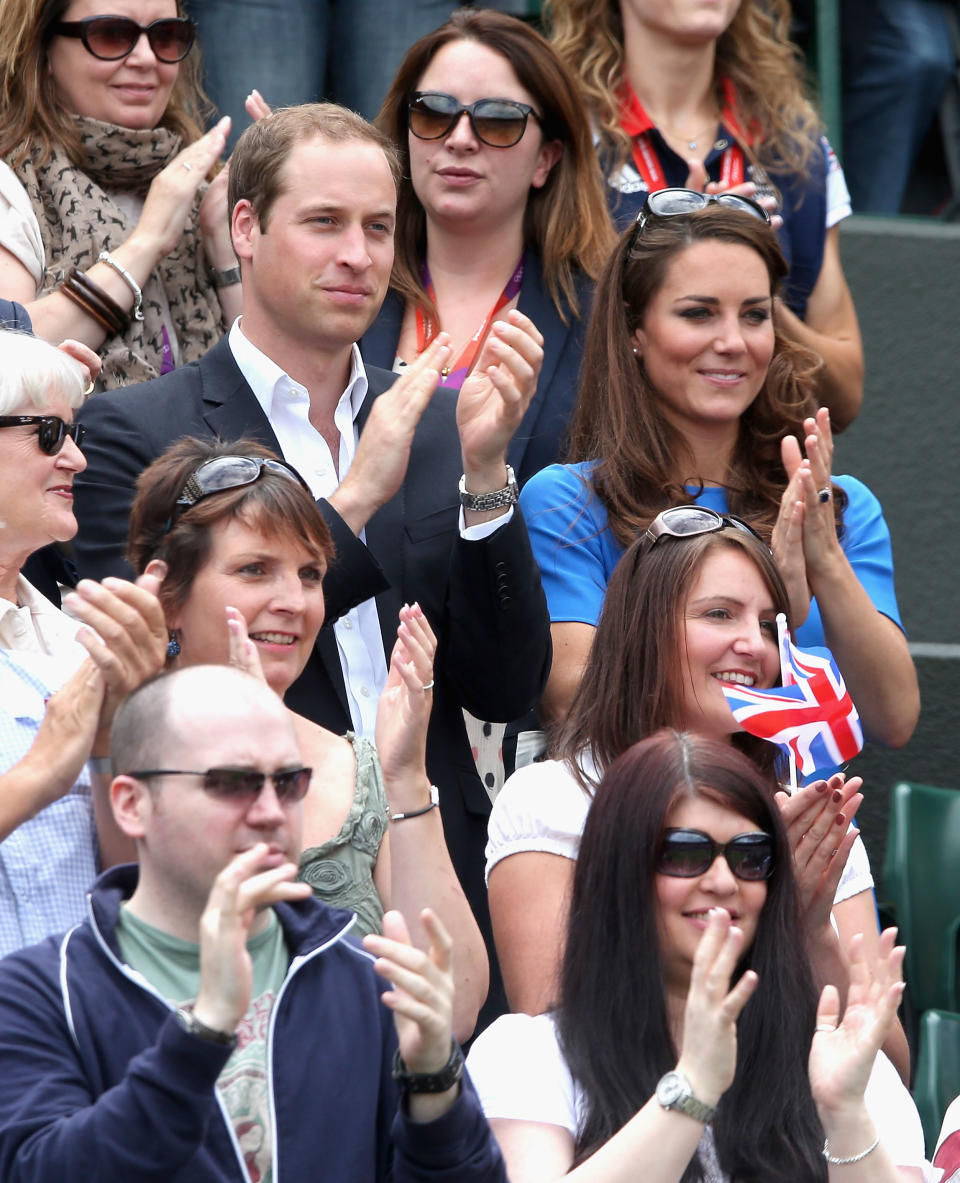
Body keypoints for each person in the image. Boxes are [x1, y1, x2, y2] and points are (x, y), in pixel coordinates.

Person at [71, 101, 552, 1025]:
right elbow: (159, 674)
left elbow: (506, 682)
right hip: (254, 883)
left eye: (379, 228)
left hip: (432, 882)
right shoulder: (137, 432)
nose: (359, 255)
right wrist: (352, 503)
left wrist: (489, 477)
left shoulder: (444, 428)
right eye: (325, 223)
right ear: (245, 229)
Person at [0, 663, 509, 1182]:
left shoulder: (363, 977)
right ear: (132, 804)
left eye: (289, 782)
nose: (271, 811)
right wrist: (201, 1036)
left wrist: (435, 1087)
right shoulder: (40, 991)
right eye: (232, 782)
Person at [486, 513, 909, 1081]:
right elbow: (553, 1033)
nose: (752, 644)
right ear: (643, 629)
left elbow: (891, 1073)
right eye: (719, 614)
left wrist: (805, 924)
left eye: (767, 624)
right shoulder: (554, 798)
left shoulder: (808, 819)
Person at [521, 199, 918, 752]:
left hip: (806, 829)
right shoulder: (570, 501)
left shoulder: (840, 507)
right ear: (635, 328)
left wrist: (823, 558)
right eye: (698, 313)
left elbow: (894, 719)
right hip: (647, 825)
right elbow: (575, 700)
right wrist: (779, 616)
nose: (734, 341)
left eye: (755, 315)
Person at [126, 434, 489, 1037]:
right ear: (167, 594)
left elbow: (455, 1010)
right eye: (254, 570)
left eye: (311, 574)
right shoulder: (112, 754)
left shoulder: (356, 765)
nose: (293, 601)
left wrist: (405, 779)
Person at [467, 731, 931, 1182]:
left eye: (751, 856)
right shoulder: (529, 1054)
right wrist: (692, 1090)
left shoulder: (835, 1060)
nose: (724, 882)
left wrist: (845, 1116)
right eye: (686, 853)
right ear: (619, 869)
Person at [544, 0, 864, 429]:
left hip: (753, 484)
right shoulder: (557, 134)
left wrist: (752, 295)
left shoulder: (797, 149)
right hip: (594, 472)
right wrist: (666, 258)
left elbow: (843, 400)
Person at [367, 8, 616, 486]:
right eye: (433, 112)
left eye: (499, 122)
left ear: (547, 159)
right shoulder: (350, 274)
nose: (459, 139)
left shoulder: (604, 309)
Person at [0, 328, 167, 953]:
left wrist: (110, 742)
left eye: (76, 434)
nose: (77, 459)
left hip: (87, 1027)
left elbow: (132, 886)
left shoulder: (81, 644)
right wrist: (44, 768)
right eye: (49, 434)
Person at [0, 0, 239, 387]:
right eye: (111, 34)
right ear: (42, 51)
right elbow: (10, 363)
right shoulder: (10, 185)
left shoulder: (199, 185)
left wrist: (226, 251)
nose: (146, 58)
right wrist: (146, 243)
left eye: (165, 36)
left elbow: (273, 385)